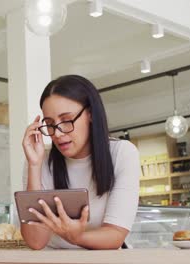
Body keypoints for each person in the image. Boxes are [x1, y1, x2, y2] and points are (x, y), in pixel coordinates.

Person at [21, 75, 140, 250]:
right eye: (50, 124)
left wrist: (77, 237)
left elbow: (115, 235)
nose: (58, 134)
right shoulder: (39, 160)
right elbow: (36, 241)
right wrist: (34, 166)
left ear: (90, 114)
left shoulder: (122, 153)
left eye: (67, 120)